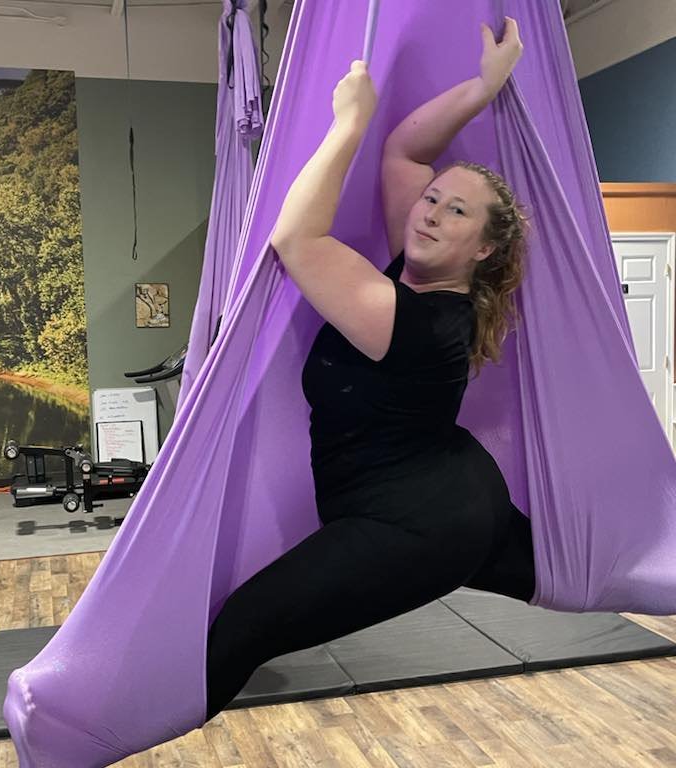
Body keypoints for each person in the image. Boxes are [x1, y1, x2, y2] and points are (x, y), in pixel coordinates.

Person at [204, 17, 534, 723]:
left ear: (481, 250)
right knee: (557, 574)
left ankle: (112, 733)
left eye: (457, 213)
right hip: (448, 482)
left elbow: (295, 238)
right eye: (434, 199)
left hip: (421, 524)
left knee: (245, 627)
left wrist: (347, 123)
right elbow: (407, 150)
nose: (432, 213)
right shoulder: (413, 275)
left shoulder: (414, 320)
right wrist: (484, 85)